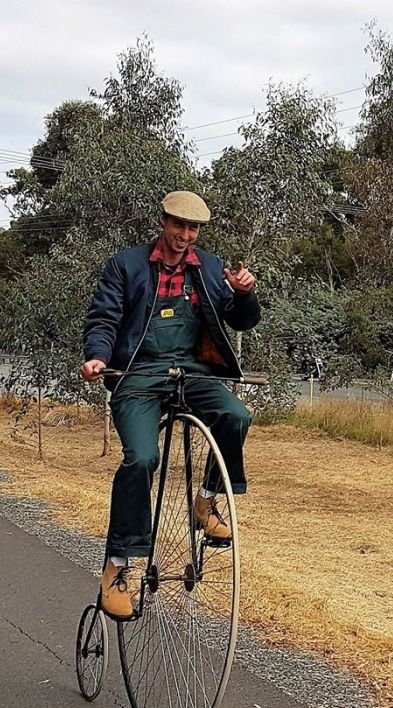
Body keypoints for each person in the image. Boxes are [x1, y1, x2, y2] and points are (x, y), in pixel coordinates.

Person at [80, 190, 260, 619]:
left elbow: (240, 320)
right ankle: (119, 568)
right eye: (178, 225)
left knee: (236, 416)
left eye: (193, 228)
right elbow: (104, 318)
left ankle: (207, 499)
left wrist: (244, 295)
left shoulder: (212, 268)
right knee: (142, 458)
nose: (184, 235)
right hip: (139, 374)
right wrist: (98, 357)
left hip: (193, 372)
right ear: (163, 222)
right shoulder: (127, 265)